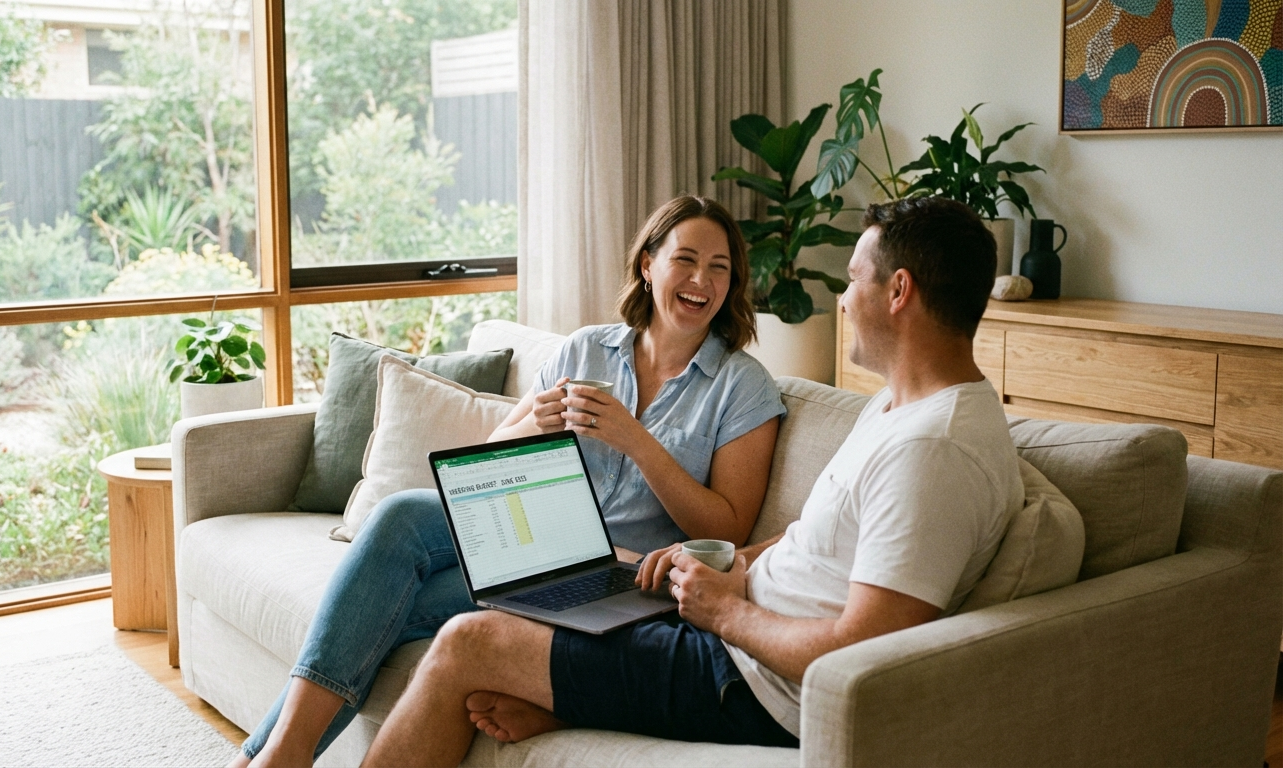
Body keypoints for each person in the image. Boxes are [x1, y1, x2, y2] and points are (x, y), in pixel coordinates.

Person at [358, 195, 1028, 767]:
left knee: (468, 641)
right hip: (730, 630)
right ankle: (572, 702)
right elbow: (811, 540)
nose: (844, 300)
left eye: (853, 280)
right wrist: (729, 567)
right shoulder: (896, 406)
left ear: (900, 291)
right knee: (489, 591)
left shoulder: (933, 451)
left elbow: (866, 650)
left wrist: (727, 613)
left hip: (752, 681)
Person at [232, 195, 787, 767]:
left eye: (719, 267)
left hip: (626, 579)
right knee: (401, 518)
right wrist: (533, 428)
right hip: (540, 544)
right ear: (648, 265)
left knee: (402, 601)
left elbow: (727, 529)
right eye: (686, 260)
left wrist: (635, 441)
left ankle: (266, 758)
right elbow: (487, 462)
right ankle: (280, 756)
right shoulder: (585, 349)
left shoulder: (742, 386)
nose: (702, 280)